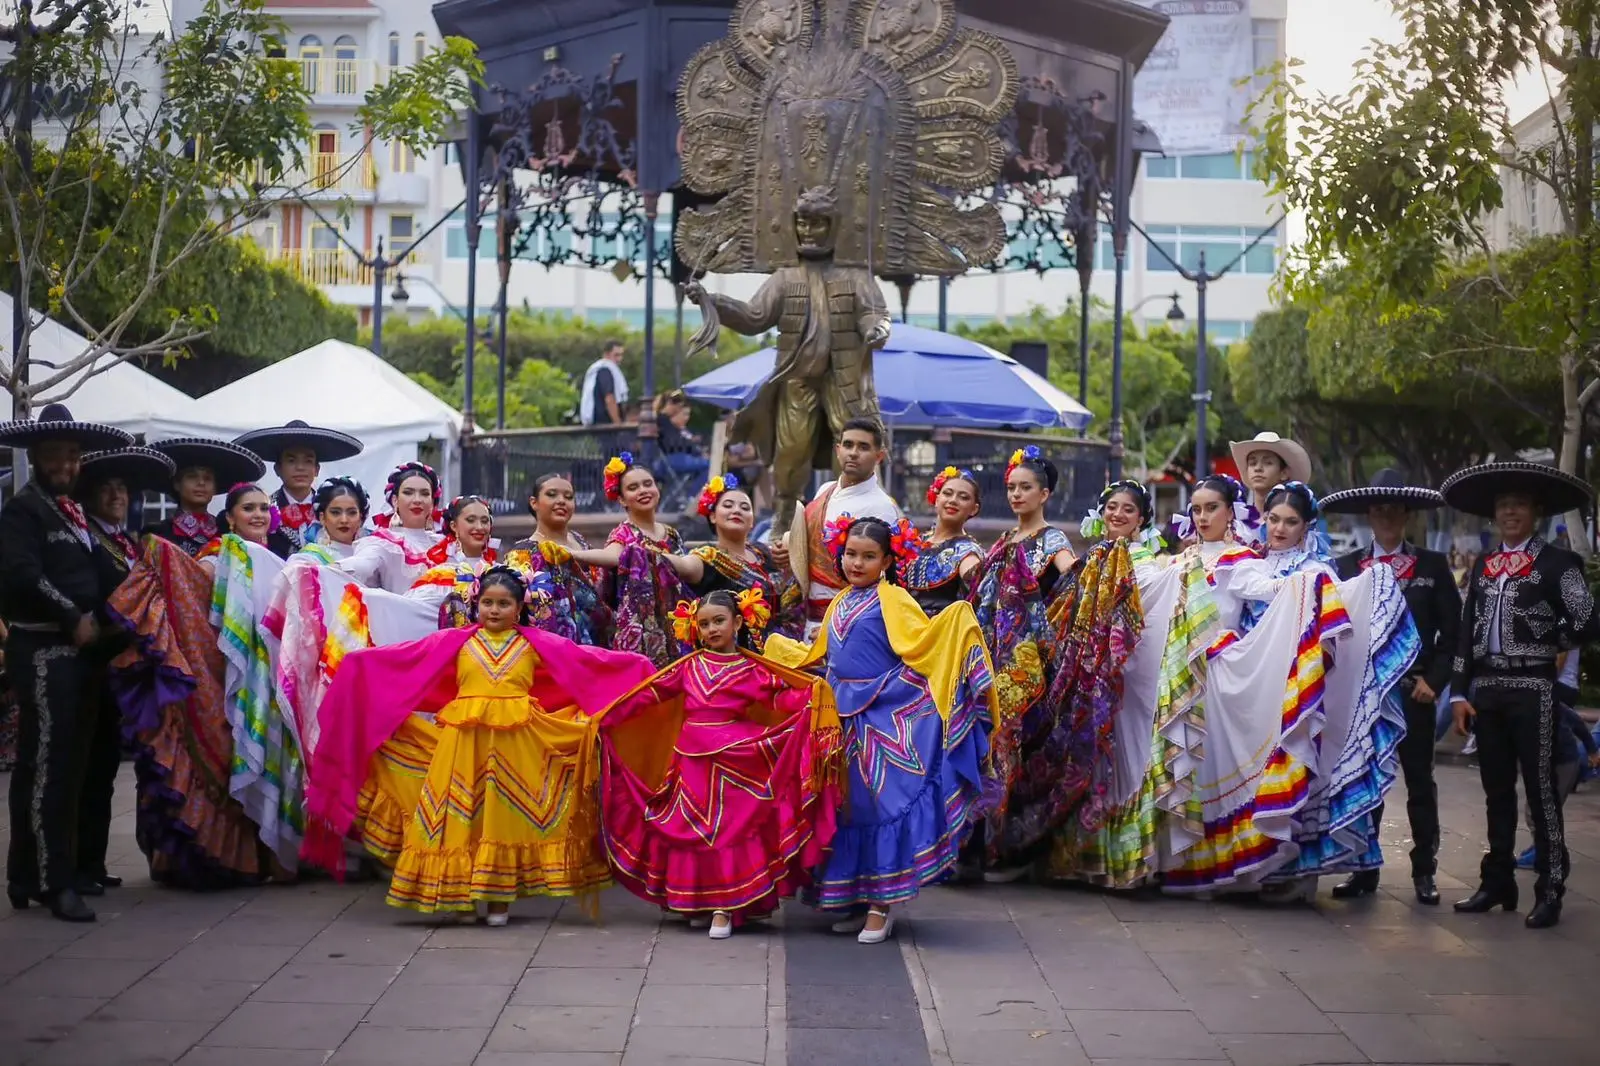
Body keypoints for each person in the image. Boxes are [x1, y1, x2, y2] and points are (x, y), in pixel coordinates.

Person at [300, 566, 656, 924]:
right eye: (488, 602)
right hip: (463, 744)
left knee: (504, 819)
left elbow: (588, 663)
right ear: (476, 604)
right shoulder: (455, 642)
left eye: (504, 603)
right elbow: (405, 658)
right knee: (459, 817)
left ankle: (499, 900)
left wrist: (637, 667)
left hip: (518, 746)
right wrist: (359, 664)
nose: (495, 610)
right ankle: (459, 899)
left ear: (520, 608)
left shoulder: (537, 643)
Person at [766, 516, 996, 944]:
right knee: (846, 809)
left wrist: (957, 621)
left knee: (881, 807)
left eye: (869, 556)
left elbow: (923, 646)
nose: (857, 563)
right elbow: (822, 655)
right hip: (840, 724)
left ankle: (881, 905)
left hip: (882, 721)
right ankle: (857, 897)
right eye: (851, 554)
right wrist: (780, 653)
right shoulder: (840, 601)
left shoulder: (895, 600)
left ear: (888, 561)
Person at [597, 590, 841, 938]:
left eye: (719, 621)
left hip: (738, 762)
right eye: (704, 624)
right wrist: (605, 718)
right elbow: (649, 695)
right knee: (692, 832)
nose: (711, 629)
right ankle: (700, 901)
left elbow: (781, 697)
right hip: (691, 762)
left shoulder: (752, 669)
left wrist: (814, 695)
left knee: (728, 833)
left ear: (738, 622)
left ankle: (725, 908)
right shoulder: (687, 667)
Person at [1443, 461, 1600, 930]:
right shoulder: (1486, 565)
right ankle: (1497, 882)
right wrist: (1456, 693)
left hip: (1535, 687)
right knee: (1494, 792)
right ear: (1495, 515)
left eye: (1519, 505)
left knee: (1541, 790)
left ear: (1535, 511)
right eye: (1503, 506)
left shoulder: (1558, 562)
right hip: (1487, 688)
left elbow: (1589, 621)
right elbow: (1466, 631)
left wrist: (1555, 638)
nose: (1510, 512)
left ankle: (1550, 887)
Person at [0, 404, 134, 922]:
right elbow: (20, 574)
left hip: (81, 658)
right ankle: (54, 883)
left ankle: (25, 876)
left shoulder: (71, 513)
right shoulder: (22, 512)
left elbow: (108, 574)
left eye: (74, 456)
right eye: (57, 454)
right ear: (36, 456)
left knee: (61, 766)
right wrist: (71, 614)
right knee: (49, 767)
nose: (67, 464)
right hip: (43, 651)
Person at [1046, 481, 1212, 889]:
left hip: (1131, 675)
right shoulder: (1091, 557)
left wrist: (1184, 567)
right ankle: (1088, 858)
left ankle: (1131, 862)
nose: (1118, 515)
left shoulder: (1152, 563)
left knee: (1131, 754)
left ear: (1142, 519)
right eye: (1111, 507)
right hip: (1090, 677)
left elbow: (1154, 602)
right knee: (1094, 756)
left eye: (1127, 509)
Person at [1324, 470, 1460, 906]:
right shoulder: (1345, 569)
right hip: (1363, 697)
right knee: (1366, 781)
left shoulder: (1432, 567)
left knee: (1420, 783)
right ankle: (1364, 869)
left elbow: (1453, 634)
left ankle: (1425, 871)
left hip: (1412, 692)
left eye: (1395, 509)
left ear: (1407, 515)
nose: (1387, 516)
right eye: (1380, 509)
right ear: (1369, 514)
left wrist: (1435, 682)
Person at [965, 447, 1076, 880]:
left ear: (1044, 493)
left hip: (1027, 656)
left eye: (1025, 488)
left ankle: (1006, 847)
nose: (1016, 495)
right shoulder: (1004, 540)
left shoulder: (1054, 541)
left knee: (1011, 743)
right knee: (991, 742)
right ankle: (986, 841)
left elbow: (1072, 575)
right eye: (1011, 488)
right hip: (993, 651)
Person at [75, 445, 177, 898]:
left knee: (105, 772)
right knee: (85, 770)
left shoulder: (128, 540)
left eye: (122, 489)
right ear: (90, 495)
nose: (116, 496)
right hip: (93, 663)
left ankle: (93, 863)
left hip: (123, 669)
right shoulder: (90, 540)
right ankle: (76, 865)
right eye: (107, 489)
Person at [570, 454, 693, 666]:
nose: (643, 490)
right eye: (633, 487)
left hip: (678, 621)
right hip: (642, 628)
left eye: (648, 484)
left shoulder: (671, 534)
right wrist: (575, 554)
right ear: (622, 499)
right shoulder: (624, 532)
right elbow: (611, 556)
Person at [785, 418, 902, 638]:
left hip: (851, 625)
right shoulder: (825, 490)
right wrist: (788, 549)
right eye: (848, 445)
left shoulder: (882, 507)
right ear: (838, 450)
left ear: (879, 456)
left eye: (863, 447)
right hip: (809, 617)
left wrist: (838, 623)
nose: (853, 453)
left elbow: (883, 580)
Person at [664, 475, 804, 652]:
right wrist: (639, 552)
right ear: (713, 516)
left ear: (752, 521)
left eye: (745, 507)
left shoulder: (766, 554)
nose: (737, 510)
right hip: (732, 659)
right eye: (728, 505)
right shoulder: (707, 559)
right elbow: (678, 564)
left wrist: (791, 555)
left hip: (781, 653)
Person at [504, 473, 613, 645]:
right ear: (534, 502)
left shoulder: (580, 542)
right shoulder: (522, 554)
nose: (562, 501)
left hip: (600, 645)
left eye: (568, 497)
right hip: (555, 650)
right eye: (552, 494)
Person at [233, 421, 363, 553]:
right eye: (291, 460)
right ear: (277, 469)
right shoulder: (265, 511)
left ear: (316, 469)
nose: (300, 468)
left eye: (308, 461)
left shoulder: (333, 509)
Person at [145, 437, 268, 557]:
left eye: (208, 478)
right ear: (177, 484)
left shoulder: (227, 531)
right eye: (192, 476)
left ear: (215, 487)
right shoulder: (158, 533)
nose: (201, 483)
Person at [339, 462, 445, 593]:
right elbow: (362, 565)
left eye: (424, 494)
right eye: (408, 492)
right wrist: (327, 570)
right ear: (395, 500)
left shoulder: (445, 545)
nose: (417, 499)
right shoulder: (383, 543)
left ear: (432, 503)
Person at [902, 467, 984, 617]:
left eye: (963, 497)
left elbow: (975, 576)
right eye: (947, 493)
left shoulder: (967, 551)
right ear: (936, 498)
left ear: (974, 509)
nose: (953, 500)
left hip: (940, 633)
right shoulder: (915, 541)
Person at [408, 495, 499, 628]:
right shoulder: (439, 572)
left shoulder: (499, 571)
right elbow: (413, 612)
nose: (479, 527)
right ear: (454, 526)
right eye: (471, 520)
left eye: (485, 521)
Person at [1228, 432, 1311, 541]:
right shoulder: (1235, 521)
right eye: (1252, 463)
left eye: (1268, 463)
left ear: (1284, 473)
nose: (1258, 468)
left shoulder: (1297, 522)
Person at [654, 390, 710, 486]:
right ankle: (692, 496)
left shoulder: (665, 421)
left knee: (707, 465)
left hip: (674, 458)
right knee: (711, 466)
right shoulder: (662, 420)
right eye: (677, 406)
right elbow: (673, 443)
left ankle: (688, 495)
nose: (677, 410)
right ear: (669, 404)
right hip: (670, 459)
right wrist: (696, 451)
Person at [579, 339, 629, 426]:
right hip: (604, 423)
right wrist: (618, 423)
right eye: (616, 355)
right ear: (606, 354)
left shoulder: (601, 370)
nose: (619, 359)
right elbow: (609, 398)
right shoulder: (604, 370)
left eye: (621, 355)